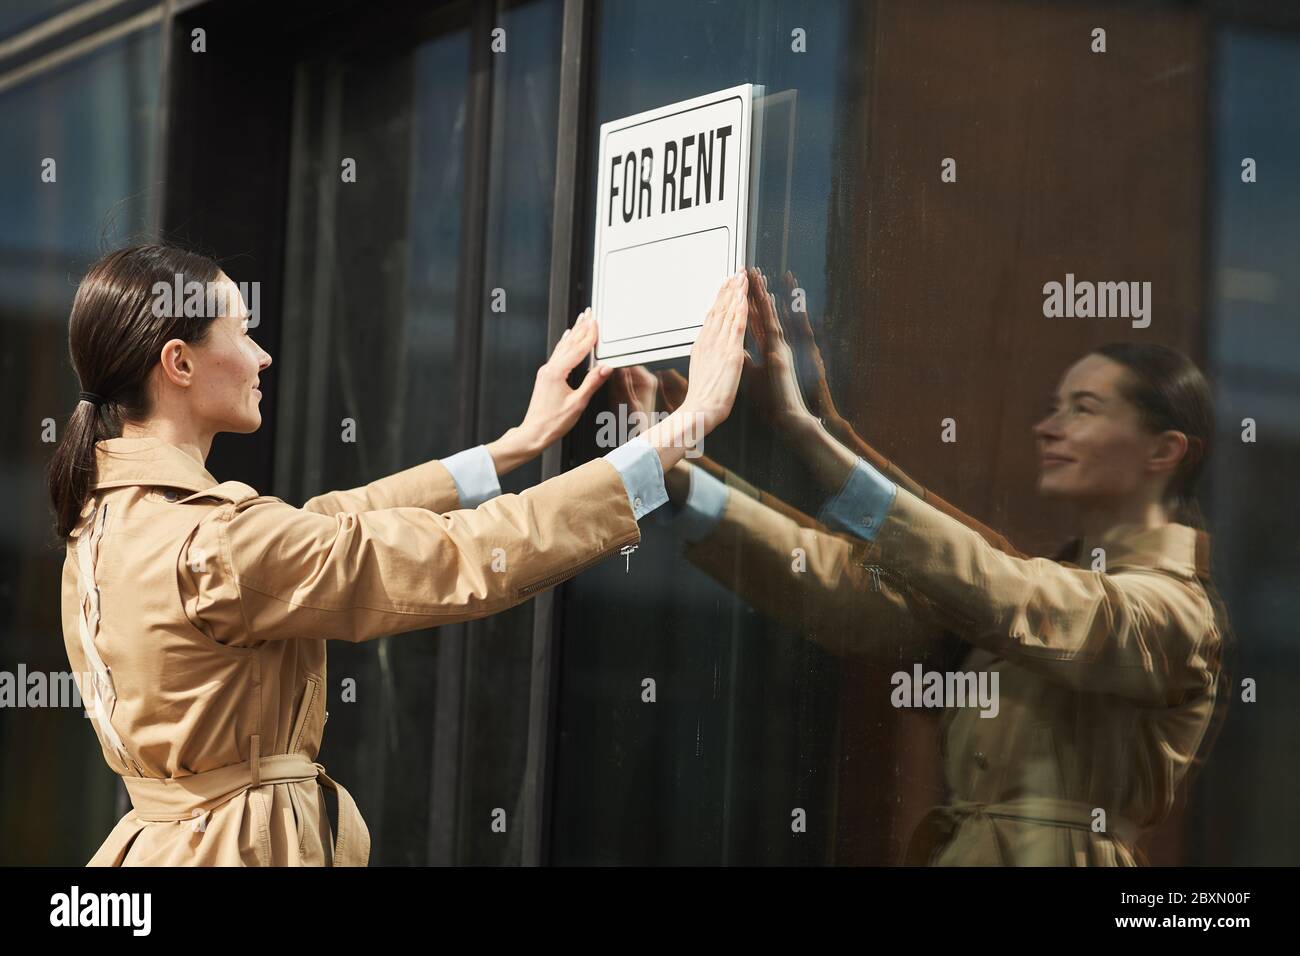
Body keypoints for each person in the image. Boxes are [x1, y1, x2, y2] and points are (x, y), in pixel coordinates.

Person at [48, 243, 748, 866]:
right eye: (242, 330)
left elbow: (326, 526)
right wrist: (683, 430)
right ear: (179, 362)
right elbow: (456, 556)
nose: (262, 355)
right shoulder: (214, 541)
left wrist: (515, 444)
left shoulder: (106, 523)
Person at [621, 267, 1228, 865]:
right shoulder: (1043, 587)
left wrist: (812, 437)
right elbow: (854, 590)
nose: (1048, 428)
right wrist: (678, 483)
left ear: (1164, 451)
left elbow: (1009, 595)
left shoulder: (1177, 616)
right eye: (1056, 407)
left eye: (1084, 409)